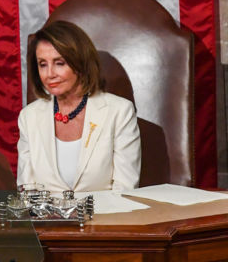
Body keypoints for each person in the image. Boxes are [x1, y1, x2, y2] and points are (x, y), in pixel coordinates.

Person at [16, 21, 141, 193]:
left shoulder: (119, 112)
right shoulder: (28, 117)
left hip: (106, 217)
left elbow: (125, 190)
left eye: (60, 63)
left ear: (80, 63)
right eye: (42, 64)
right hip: (46, 219)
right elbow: (27, 191)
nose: (50, 74)